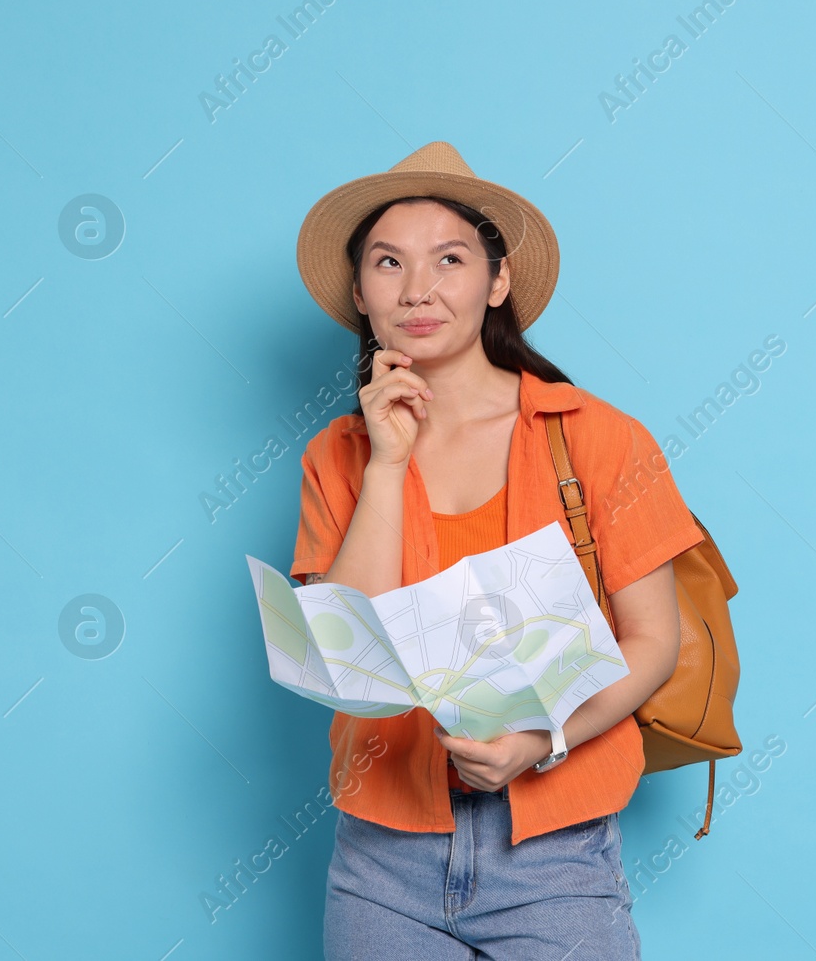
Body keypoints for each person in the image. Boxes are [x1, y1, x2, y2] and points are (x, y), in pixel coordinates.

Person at [289, 142, 707, 959]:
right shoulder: (337, 454)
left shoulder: (598, 439)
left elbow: (656, 641)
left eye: (449, 259)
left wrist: (537, 744)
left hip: (554, 849)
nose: (417, 289)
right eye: (388, 263)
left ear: (497, 281)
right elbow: (344, 657)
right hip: (381, 858)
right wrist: (387, 463)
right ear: (361, 293)